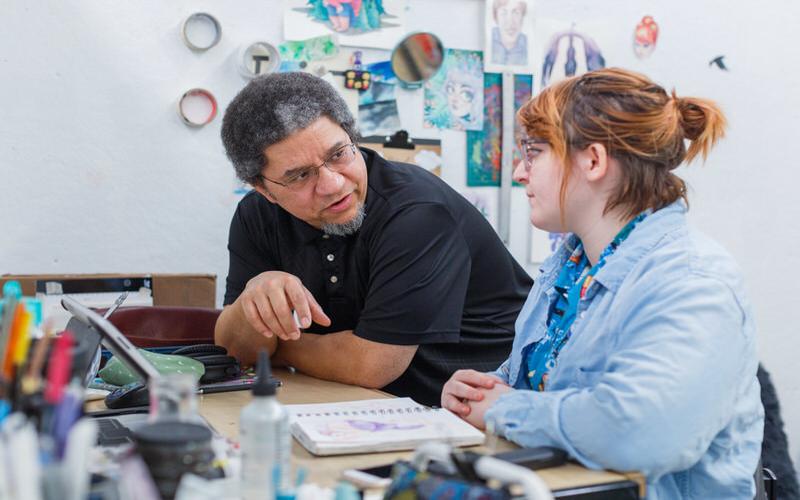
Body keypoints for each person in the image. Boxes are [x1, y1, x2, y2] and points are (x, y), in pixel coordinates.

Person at [441, 68, 764, 498]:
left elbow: (639, 432)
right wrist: (478, 390)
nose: (520, 172)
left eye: (534, 153)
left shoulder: (692, 282)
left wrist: (503, 409)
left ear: (593, 161)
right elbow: (542, 380)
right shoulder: (572, 263)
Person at [216, 72, 532, 406]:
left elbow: (373, 365)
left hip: (486, 407)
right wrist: (254, 296)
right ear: (264, 189)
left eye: (339, 154)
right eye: (300, 175)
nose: (333, 184)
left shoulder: (417, 212)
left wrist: (278, 346)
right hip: (371, 405)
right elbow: (234, 351)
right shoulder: (256, 216)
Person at [490, 0, 528, 66]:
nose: (510, 21)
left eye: (516, 13)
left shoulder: (529, 46)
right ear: (496, 18)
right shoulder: (489, 41)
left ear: (522, 17)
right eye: (504, 13)